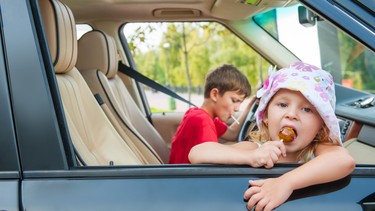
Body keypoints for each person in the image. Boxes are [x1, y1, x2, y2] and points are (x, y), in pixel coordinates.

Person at [188, 61, 355, 211]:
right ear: (266, 116)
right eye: (282, 104)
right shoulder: (257, 149)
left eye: (307, 109)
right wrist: (251, 156)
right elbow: (197, 153)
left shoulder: (317, 152)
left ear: (321, 125)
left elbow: (344, 161)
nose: (292, 114)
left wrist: (285, 183)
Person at [168, 64, 253, 164]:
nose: (237, 108)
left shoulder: (199, 115)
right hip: (186, 178)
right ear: (215, 94)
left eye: (240, 103)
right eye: (234, 101)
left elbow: (232, 134)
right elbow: (213, 159)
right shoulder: (202, 121)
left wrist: (249, 107)